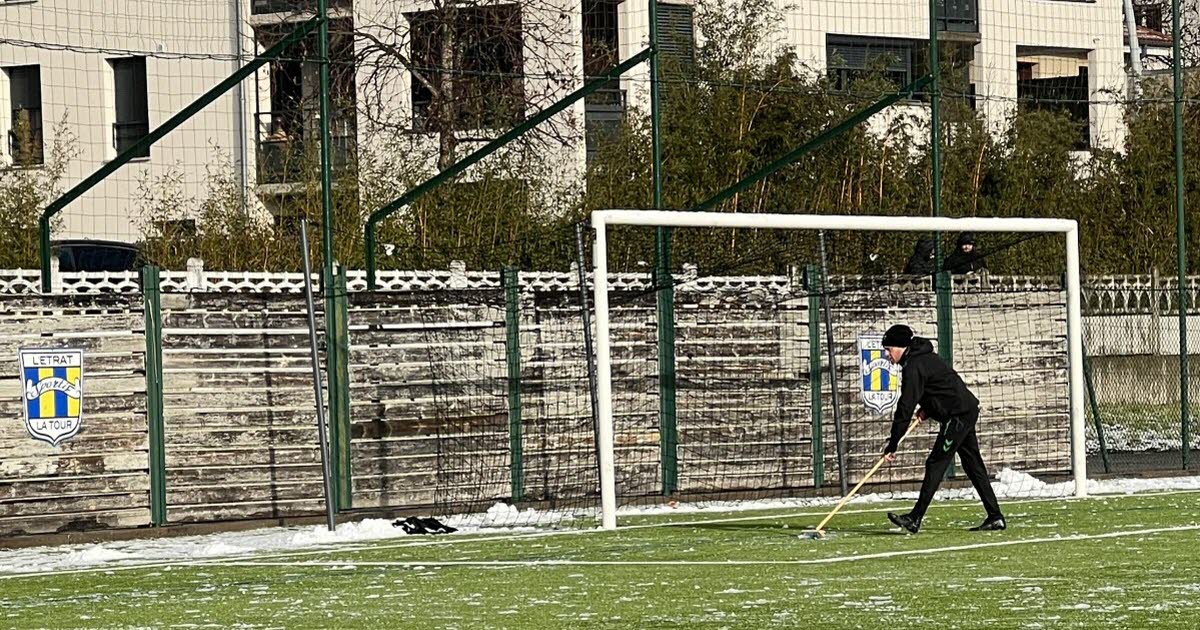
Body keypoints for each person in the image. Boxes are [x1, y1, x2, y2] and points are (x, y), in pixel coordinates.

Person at [880, 324, 1005, 534]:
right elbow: (939, 387)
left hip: (957, 416)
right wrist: (927, 408)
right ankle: (995, 516)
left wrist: (893, 443)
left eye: (888, 349)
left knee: (935, 462)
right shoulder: (921, 359)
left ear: (901, 347)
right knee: (973, 465)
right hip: (964, 410)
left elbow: (905, 406)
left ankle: (915, 518)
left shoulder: (914, 366)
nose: (886, 354)